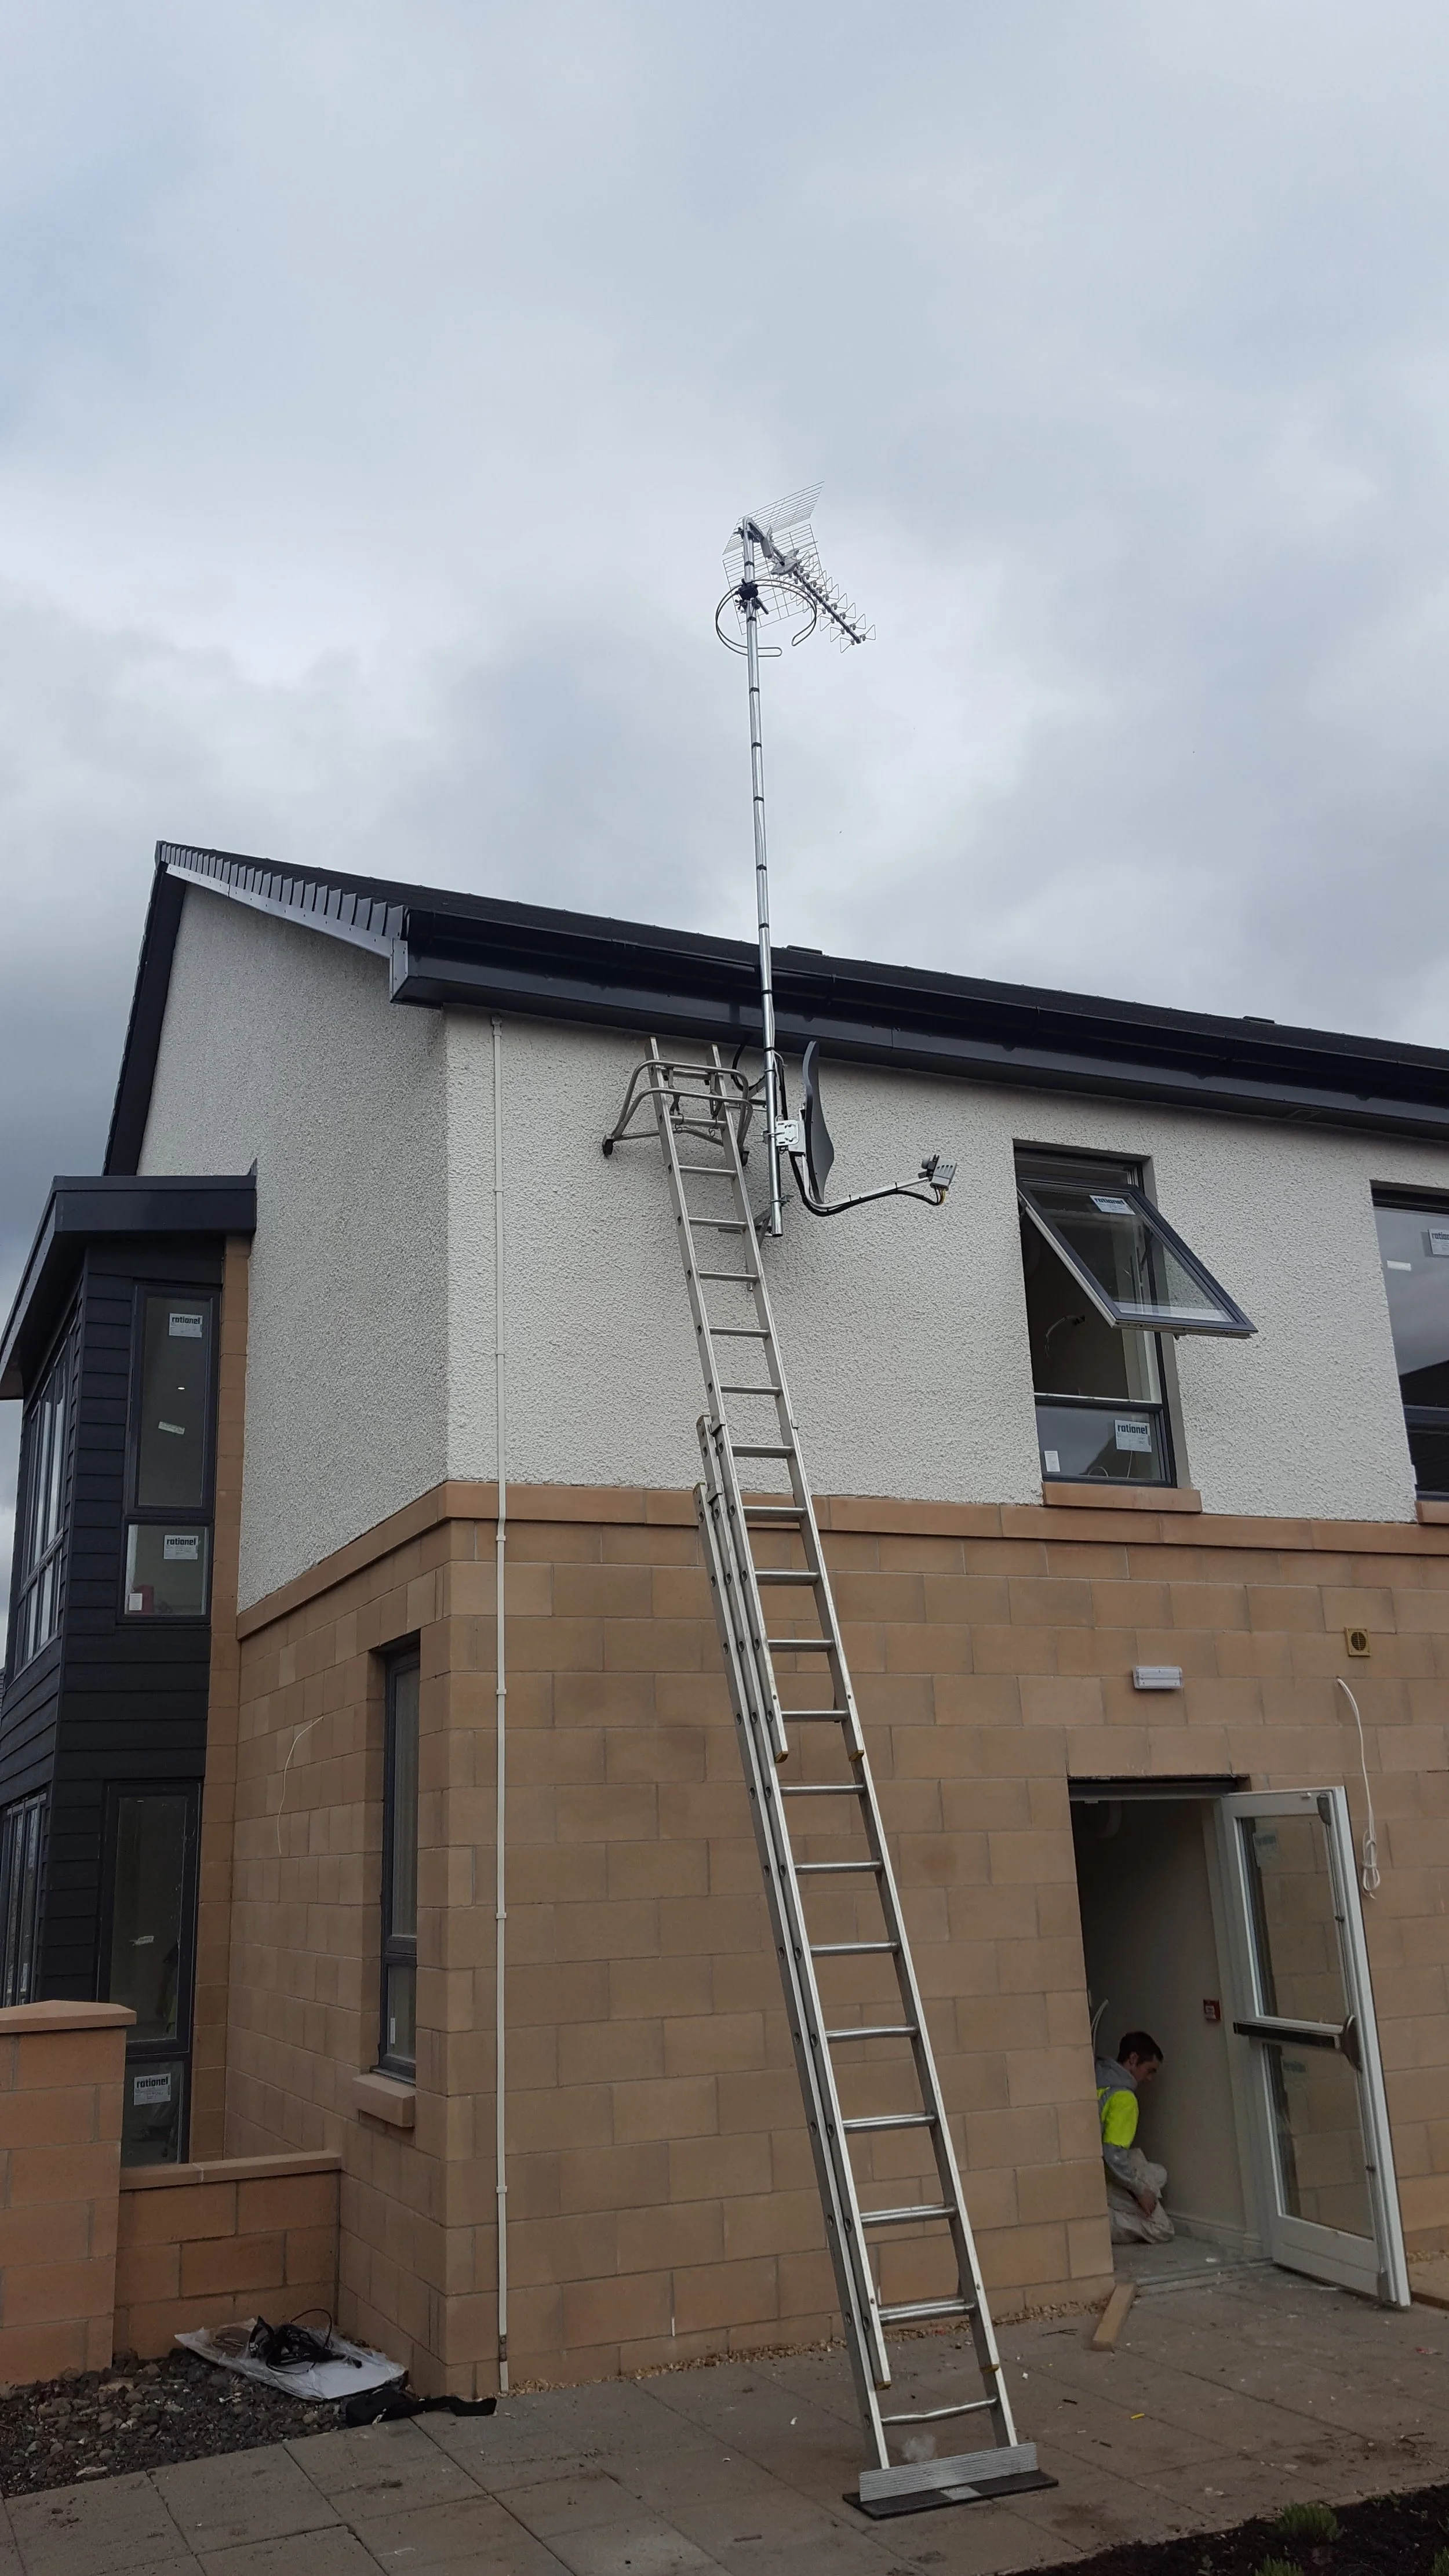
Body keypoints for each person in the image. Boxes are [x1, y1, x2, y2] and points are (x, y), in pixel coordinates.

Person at [1095, 2029, 1173, 2244]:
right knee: (1162, 2229)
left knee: (1160, 2174)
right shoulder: (1124, 2098)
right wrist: (1140, 2192)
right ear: (1133, 2059)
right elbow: (1113, 2156)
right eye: (1149, 2071)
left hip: (1094, 2167)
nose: (1149, 2079)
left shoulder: (1097, 2080)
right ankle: (1100, 2221)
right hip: (1106, 2174)